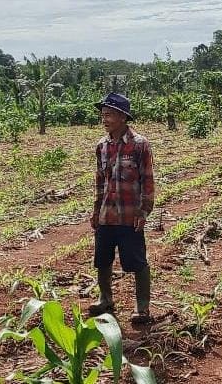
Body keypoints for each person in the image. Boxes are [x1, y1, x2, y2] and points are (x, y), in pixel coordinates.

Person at [89, 92, 155, 324]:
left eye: (109, 115)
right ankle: (105, 299)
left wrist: (144, 211)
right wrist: (96, 210)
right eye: (103, 115)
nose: (104, 119)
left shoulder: (139, 145)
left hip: (130, 216)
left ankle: (142, 307)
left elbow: (147, 180)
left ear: (122, 117)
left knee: (137, 261)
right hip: (107, 215)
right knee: (102, 259)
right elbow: (100, 181)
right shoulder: (102, 146)